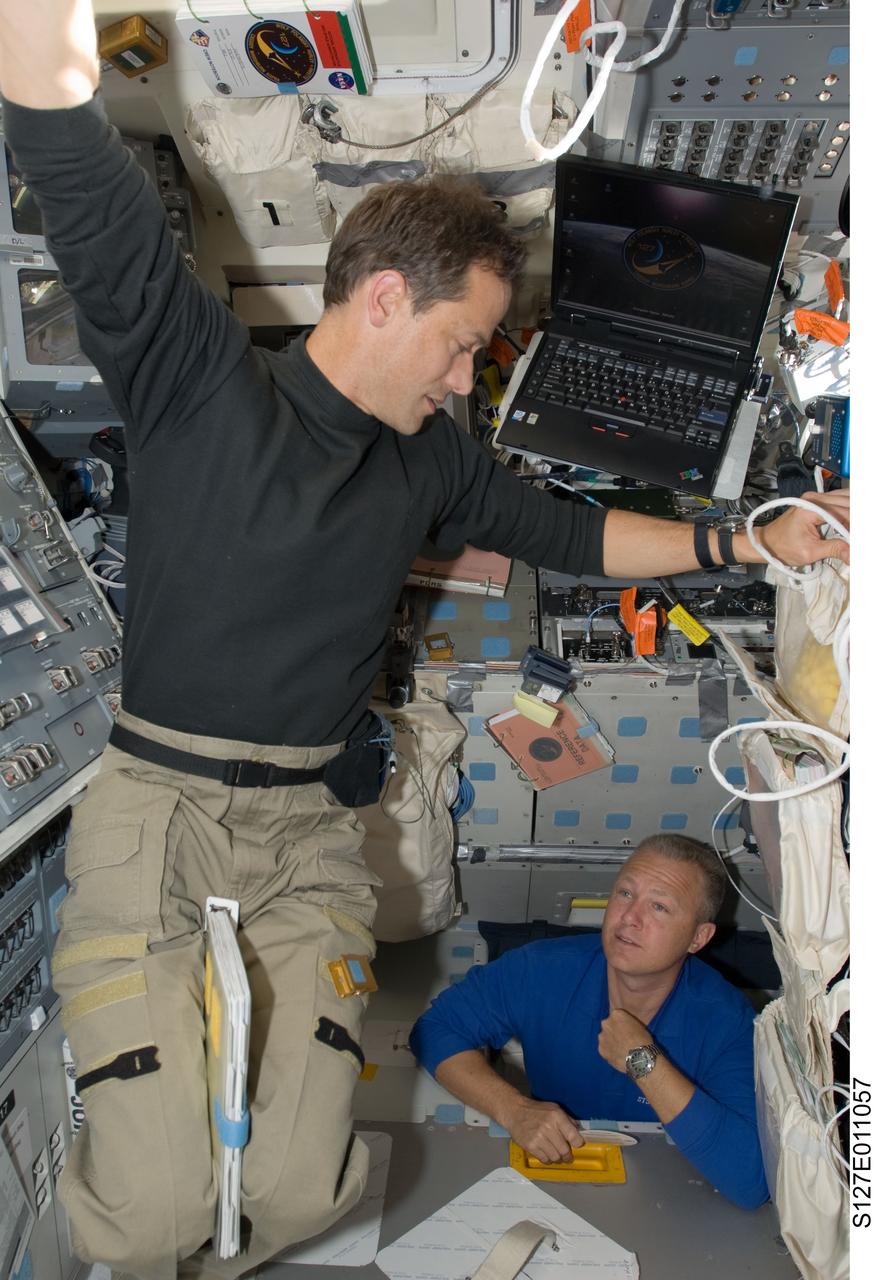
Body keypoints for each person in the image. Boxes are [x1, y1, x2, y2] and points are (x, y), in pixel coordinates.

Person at [0, 3, 847, 1276]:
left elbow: (573, 535)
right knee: (160, 1205)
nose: (465, 380)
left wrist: (741, 541)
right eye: (461, 346)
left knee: (296, 1192)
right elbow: (74, 165)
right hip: (159, 807)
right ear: (386, 298)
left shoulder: (432, 460)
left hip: (308, 831)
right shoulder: (199, 380)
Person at [410, 834, 769, 1210]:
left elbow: (750, 1180)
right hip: (553, 1172)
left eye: (659, 907)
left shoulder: (728, 1022)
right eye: (625, 893)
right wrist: (512, 1109)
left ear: (698, 937)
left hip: (668, 1195)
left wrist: (643, 1061)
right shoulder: (543, 970)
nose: (630, 917)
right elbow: (435, 1029)